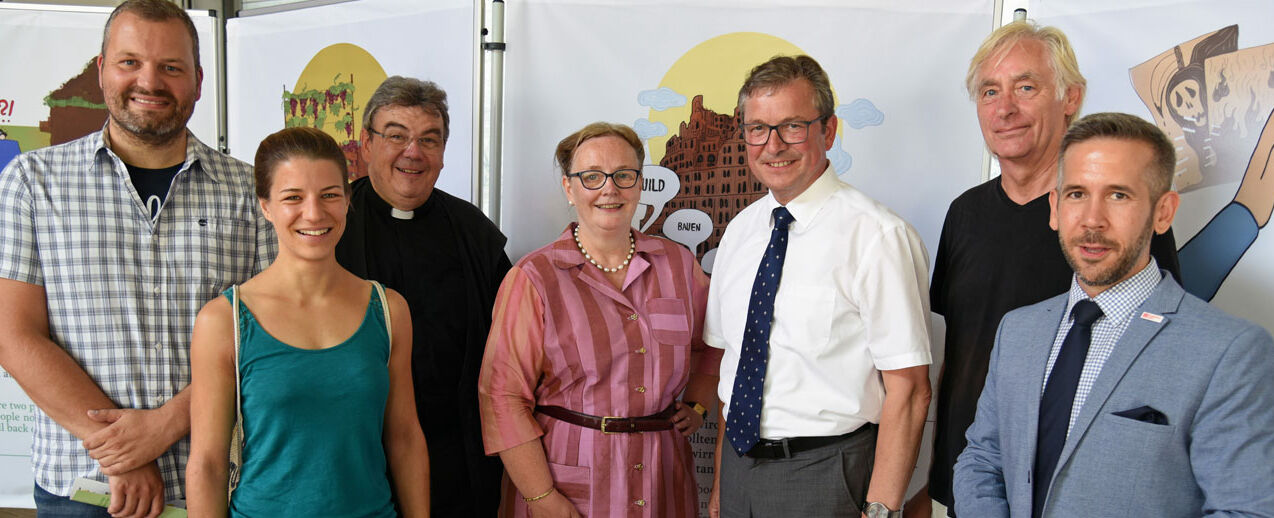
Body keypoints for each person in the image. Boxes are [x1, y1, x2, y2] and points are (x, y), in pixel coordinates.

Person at [0, 1, 275, 516]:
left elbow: (268, 340)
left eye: (170, 67)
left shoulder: (250, 191)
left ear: (197, 79)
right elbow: (13, 335)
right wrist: (120, 453)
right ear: (101, 70)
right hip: (83, 487)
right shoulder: (32, 184)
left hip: (221, 487)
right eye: (130, 62)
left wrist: (163, 426)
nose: (149, 81)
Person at [919, 21, 1182, 517]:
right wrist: (933, 469)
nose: (1005, 108)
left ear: (1071, 98)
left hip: (1082, 486)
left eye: (1025, 87)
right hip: (975, 483)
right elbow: (956, 354)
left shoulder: (1114, 222)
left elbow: (1164, 355)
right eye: (990, 91)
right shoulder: (964, 214)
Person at [954, 112, 1274, 517]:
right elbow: (982, 459)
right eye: (1076, 194)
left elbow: (1245, 510)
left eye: (1118, 195)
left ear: (1163, 212)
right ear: (1054, 209)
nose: (1092, 220)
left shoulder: (1232, 352)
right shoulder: (1018, 329)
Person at [706, 55, 932, 518]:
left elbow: (909, 391)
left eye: (791, 126)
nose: (773, 145)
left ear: (828, 131)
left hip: (828, 474)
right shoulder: (741, 232)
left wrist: (882, 509)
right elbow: (733, 369)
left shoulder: (877, 236)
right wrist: (720, 489)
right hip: (737, 470)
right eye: (757, 128)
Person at [479, 122, 721, 517]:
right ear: (569, 189)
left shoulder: (677, 265)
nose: (610, 189)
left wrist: (698, 402)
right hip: (564, 488)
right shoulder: (534, 278)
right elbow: (502, 398)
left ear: (640, 184)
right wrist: (541, 497)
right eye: (592, 177)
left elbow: (714, 339)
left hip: (662, 483)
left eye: (623, 175)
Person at [185, 127, 430, 517]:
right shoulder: (223, 321)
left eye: (330, 195)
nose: (314, 213)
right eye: (292, 198)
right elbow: (208, 463)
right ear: (265, 206)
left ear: (349, 200)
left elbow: (403, 439)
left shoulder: (389, 310)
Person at [335, 76, 509, 517]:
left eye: (429, 140)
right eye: (396, 136)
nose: (413, 152)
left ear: (444, 153)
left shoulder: (474, 233)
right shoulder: (328, 227)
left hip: (456, 457)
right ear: (366, 145)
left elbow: (512, 345)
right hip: (354, 452)